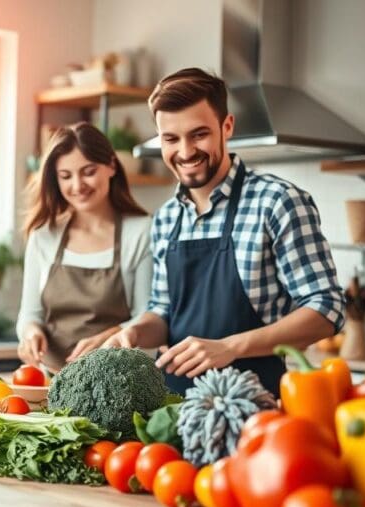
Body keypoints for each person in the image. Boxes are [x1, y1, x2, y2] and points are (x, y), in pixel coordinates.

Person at [104, 68, 345, 395]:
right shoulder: (166, 218)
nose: (186, 152)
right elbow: (163, 312)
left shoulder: (278, 202)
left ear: (227, 126)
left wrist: (231, 347)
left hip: (257, 408)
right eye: (171, 139)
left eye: (199, 134)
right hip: (174, 408)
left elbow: (326, 309)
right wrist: (134, 333)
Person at [16, 122, 153, 372]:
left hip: (116, 379)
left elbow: (149, 317)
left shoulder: (141, 232)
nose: (77, 186)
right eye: (66, 176)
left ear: (111, 166)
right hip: (49, 379)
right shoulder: (43, 236)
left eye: (88, 171)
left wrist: (112, 336)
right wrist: (30, 333)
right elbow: (30, 314)